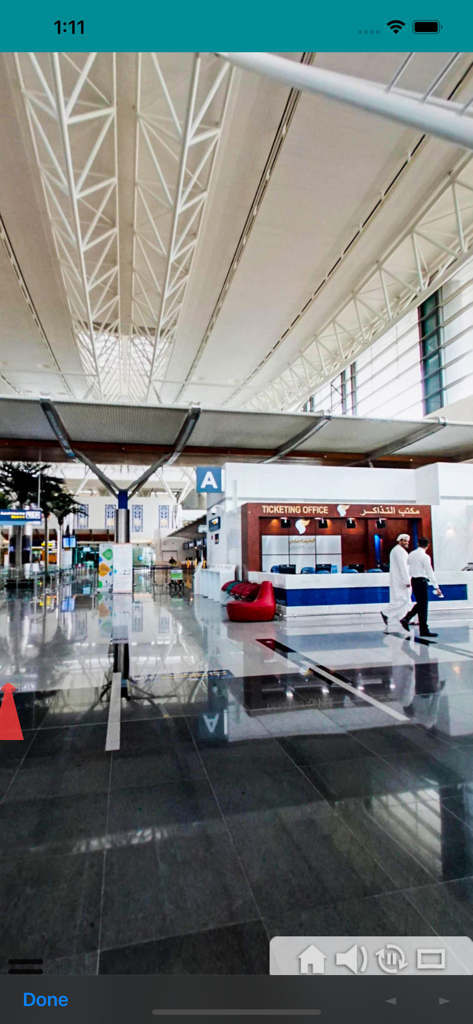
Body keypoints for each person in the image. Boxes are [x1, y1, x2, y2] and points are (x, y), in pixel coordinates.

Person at [402, 537, 443, 638]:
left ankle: (407, 619)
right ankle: (423, 629)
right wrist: (436, 587)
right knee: (423, 606)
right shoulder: (425, 557)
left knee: (421, 604)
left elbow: (408, 565)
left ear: (417, 543)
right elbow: (429, 572)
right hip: (422, 581)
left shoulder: (411, 554)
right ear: (428, 546)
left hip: (414, 581)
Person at [381, 534, 412, 632]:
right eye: (404, 541)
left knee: (404, 599)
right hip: (401, 580)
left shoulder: (397, 550)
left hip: (398, 579)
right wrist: (407, 580)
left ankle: (405, 618)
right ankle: (386, 613)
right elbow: (403, 567)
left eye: (407, 541)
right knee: (403, 599)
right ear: (399, 541)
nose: (406, 542)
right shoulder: (400, 552)